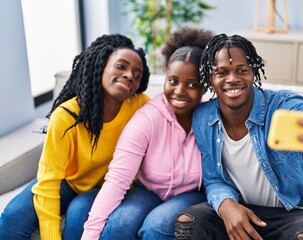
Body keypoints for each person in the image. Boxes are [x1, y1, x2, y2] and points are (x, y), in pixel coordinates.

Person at [174, 33, 303, 240]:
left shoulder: (285, 105)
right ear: (210, 80)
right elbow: (214, 178)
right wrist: (226, 205)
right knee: (189, 221)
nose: (232, 79)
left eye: (241, 70)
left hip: (289, 214)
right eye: (222, 72)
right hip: (239, 209)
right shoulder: (203, 117)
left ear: (253, 72)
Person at [0, 34, 151, 240]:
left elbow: (174, 109)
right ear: (101, 65)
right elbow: (49, 183)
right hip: (67, 182)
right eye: (121, 66)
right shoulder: (66, 115)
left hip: (108, 186)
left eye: (137, 74)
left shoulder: (141, 106)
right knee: (12, 217)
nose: (129, 76)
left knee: (78, 213)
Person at [81, 27, 214, 240]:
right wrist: (89, 236)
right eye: (173, 81)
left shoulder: (212, 117)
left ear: (205, 87)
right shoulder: (147, 119)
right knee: (119, 226)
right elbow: (117, 180)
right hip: (149, 191)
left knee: (157, 225)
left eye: (192, 84)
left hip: (192, 194)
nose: (179, 91)